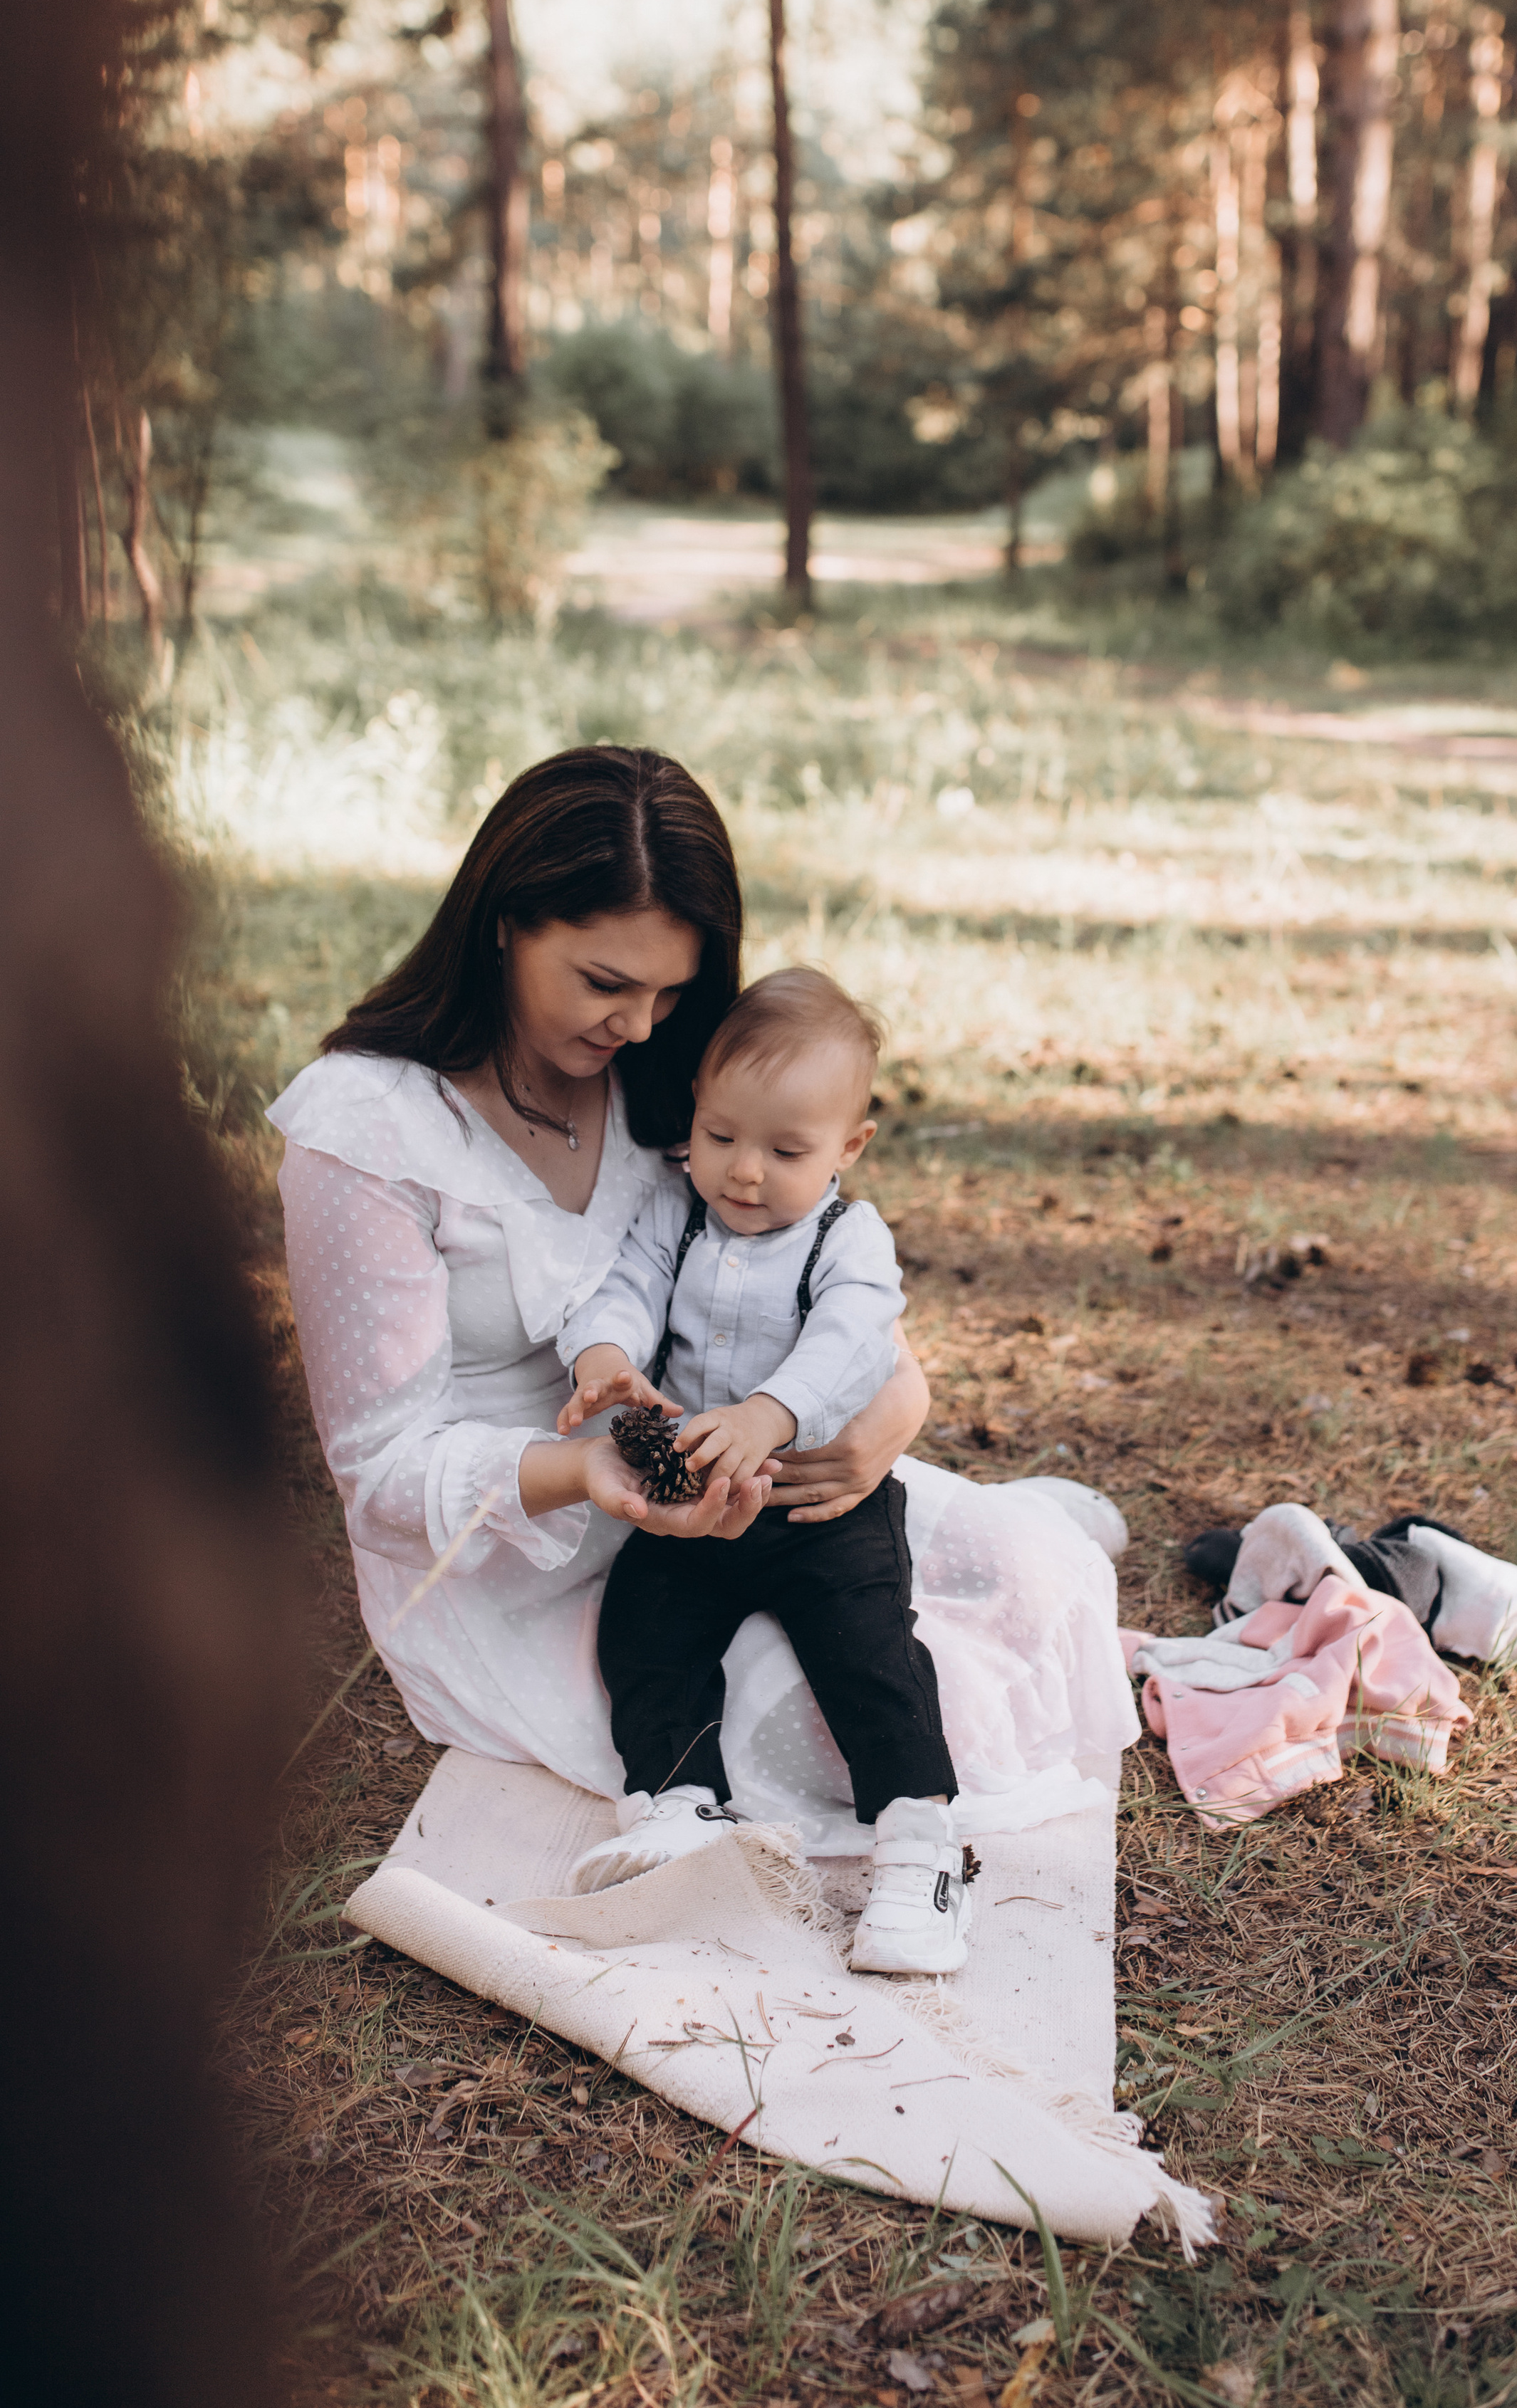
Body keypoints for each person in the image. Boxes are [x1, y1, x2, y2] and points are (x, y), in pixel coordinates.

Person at [266, 745, 1137, 1865]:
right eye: (604, 982)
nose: (638, 1024)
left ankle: (1038, 1524)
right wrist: (582, 1469)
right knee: (844, 1729)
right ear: (502, 920)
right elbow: (380, 1475)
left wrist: (888, 1419)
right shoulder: (367, 1129)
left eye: (670, 990)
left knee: (994, 1607)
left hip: (722, 1473)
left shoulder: (668, 1078)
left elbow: (828, 1290)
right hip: (516, 1545)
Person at [556, 965, 968, 1974]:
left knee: (869, 1648)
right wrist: (604, 1357)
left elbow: (853, 1336)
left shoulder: (846, 1237)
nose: (745, 1171)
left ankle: (920, 1845)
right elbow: (625, 1286)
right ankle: (680, 1802)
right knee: (645, 1626)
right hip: (700, 1497)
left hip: (820, 1499)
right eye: (724, 1136)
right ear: (693, 1113)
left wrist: (770, 1413)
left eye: (786, 1150)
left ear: (848, 1148)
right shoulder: (675, 1209)